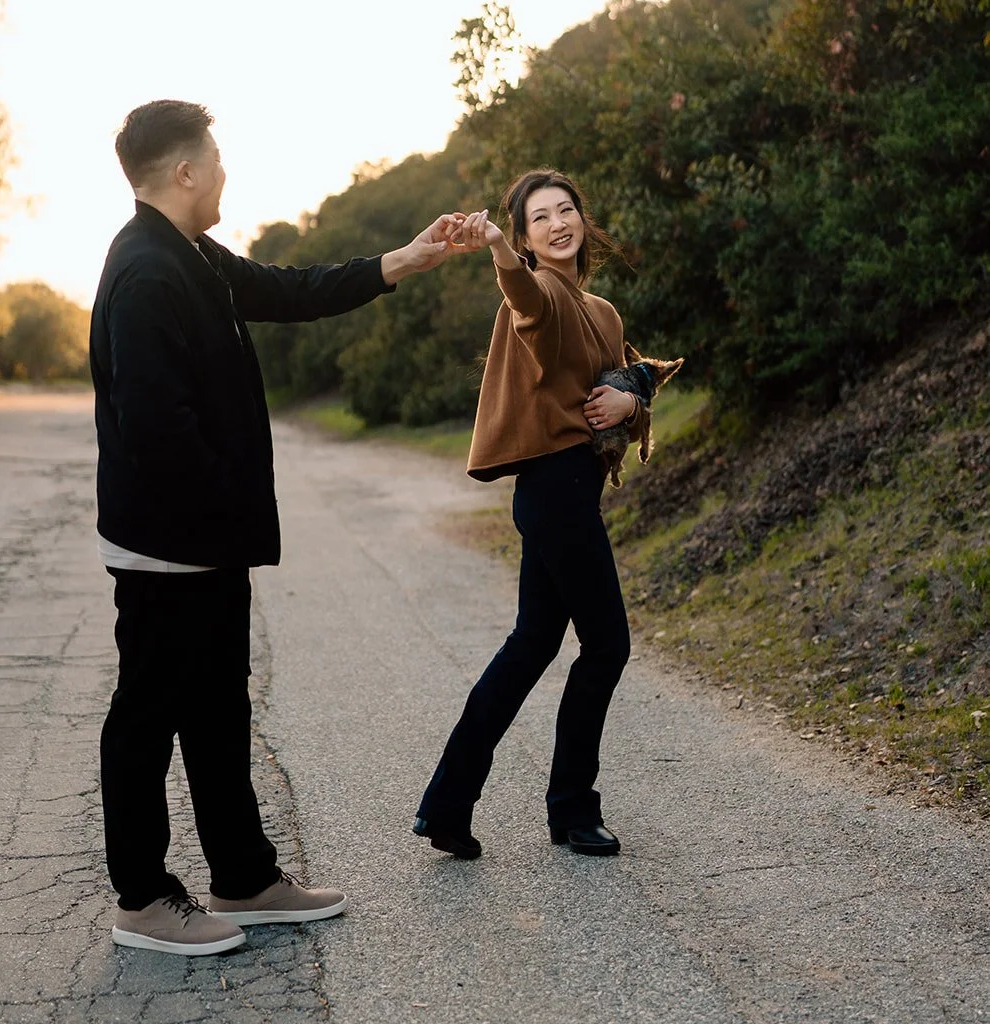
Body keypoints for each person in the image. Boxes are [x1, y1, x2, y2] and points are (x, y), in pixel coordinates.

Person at [91, 99, 462, 955]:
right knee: (146, 718)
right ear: (184, 172)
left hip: (204, 545)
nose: (223, 172)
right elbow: (158, 434)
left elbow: (289, 291)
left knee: (218, 713)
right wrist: (227, 504)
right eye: (213, 159)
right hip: (165, 548)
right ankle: (141, 898)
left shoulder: (191, 255)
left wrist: (403, 259)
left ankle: (244, 877)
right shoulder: (145, 270)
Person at [414, 170, 638, 859]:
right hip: (553, 488)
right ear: (525, 238)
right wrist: (496, 253)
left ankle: (447, 806)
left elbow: (622, 375)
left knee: (533, 643)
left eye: (565, 209)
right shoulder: (535, 290)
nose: (557, 223)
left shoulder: (601, 310)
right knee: (606, 644)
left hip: (568, 486)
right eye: (539, 218)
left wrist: (631, 401)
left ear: (581, 218)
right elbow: (524, 295)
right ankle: (572, 809)